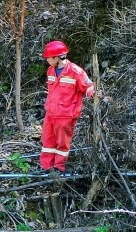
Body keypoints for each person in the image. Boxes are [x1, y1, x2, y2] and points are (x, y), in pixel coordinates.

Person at [40, 40, 96, 174]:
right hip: (51, 113)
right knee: (47, 141)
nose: (47, 60)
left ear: (57, 57)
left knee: (62, 144)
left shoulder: (76, 72)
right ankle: (46, 167)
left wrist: (95, 94)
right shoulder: (50, 70)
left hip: (66, 115)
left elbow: (88, 87)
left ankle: (59, 167)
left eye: (49, 57)